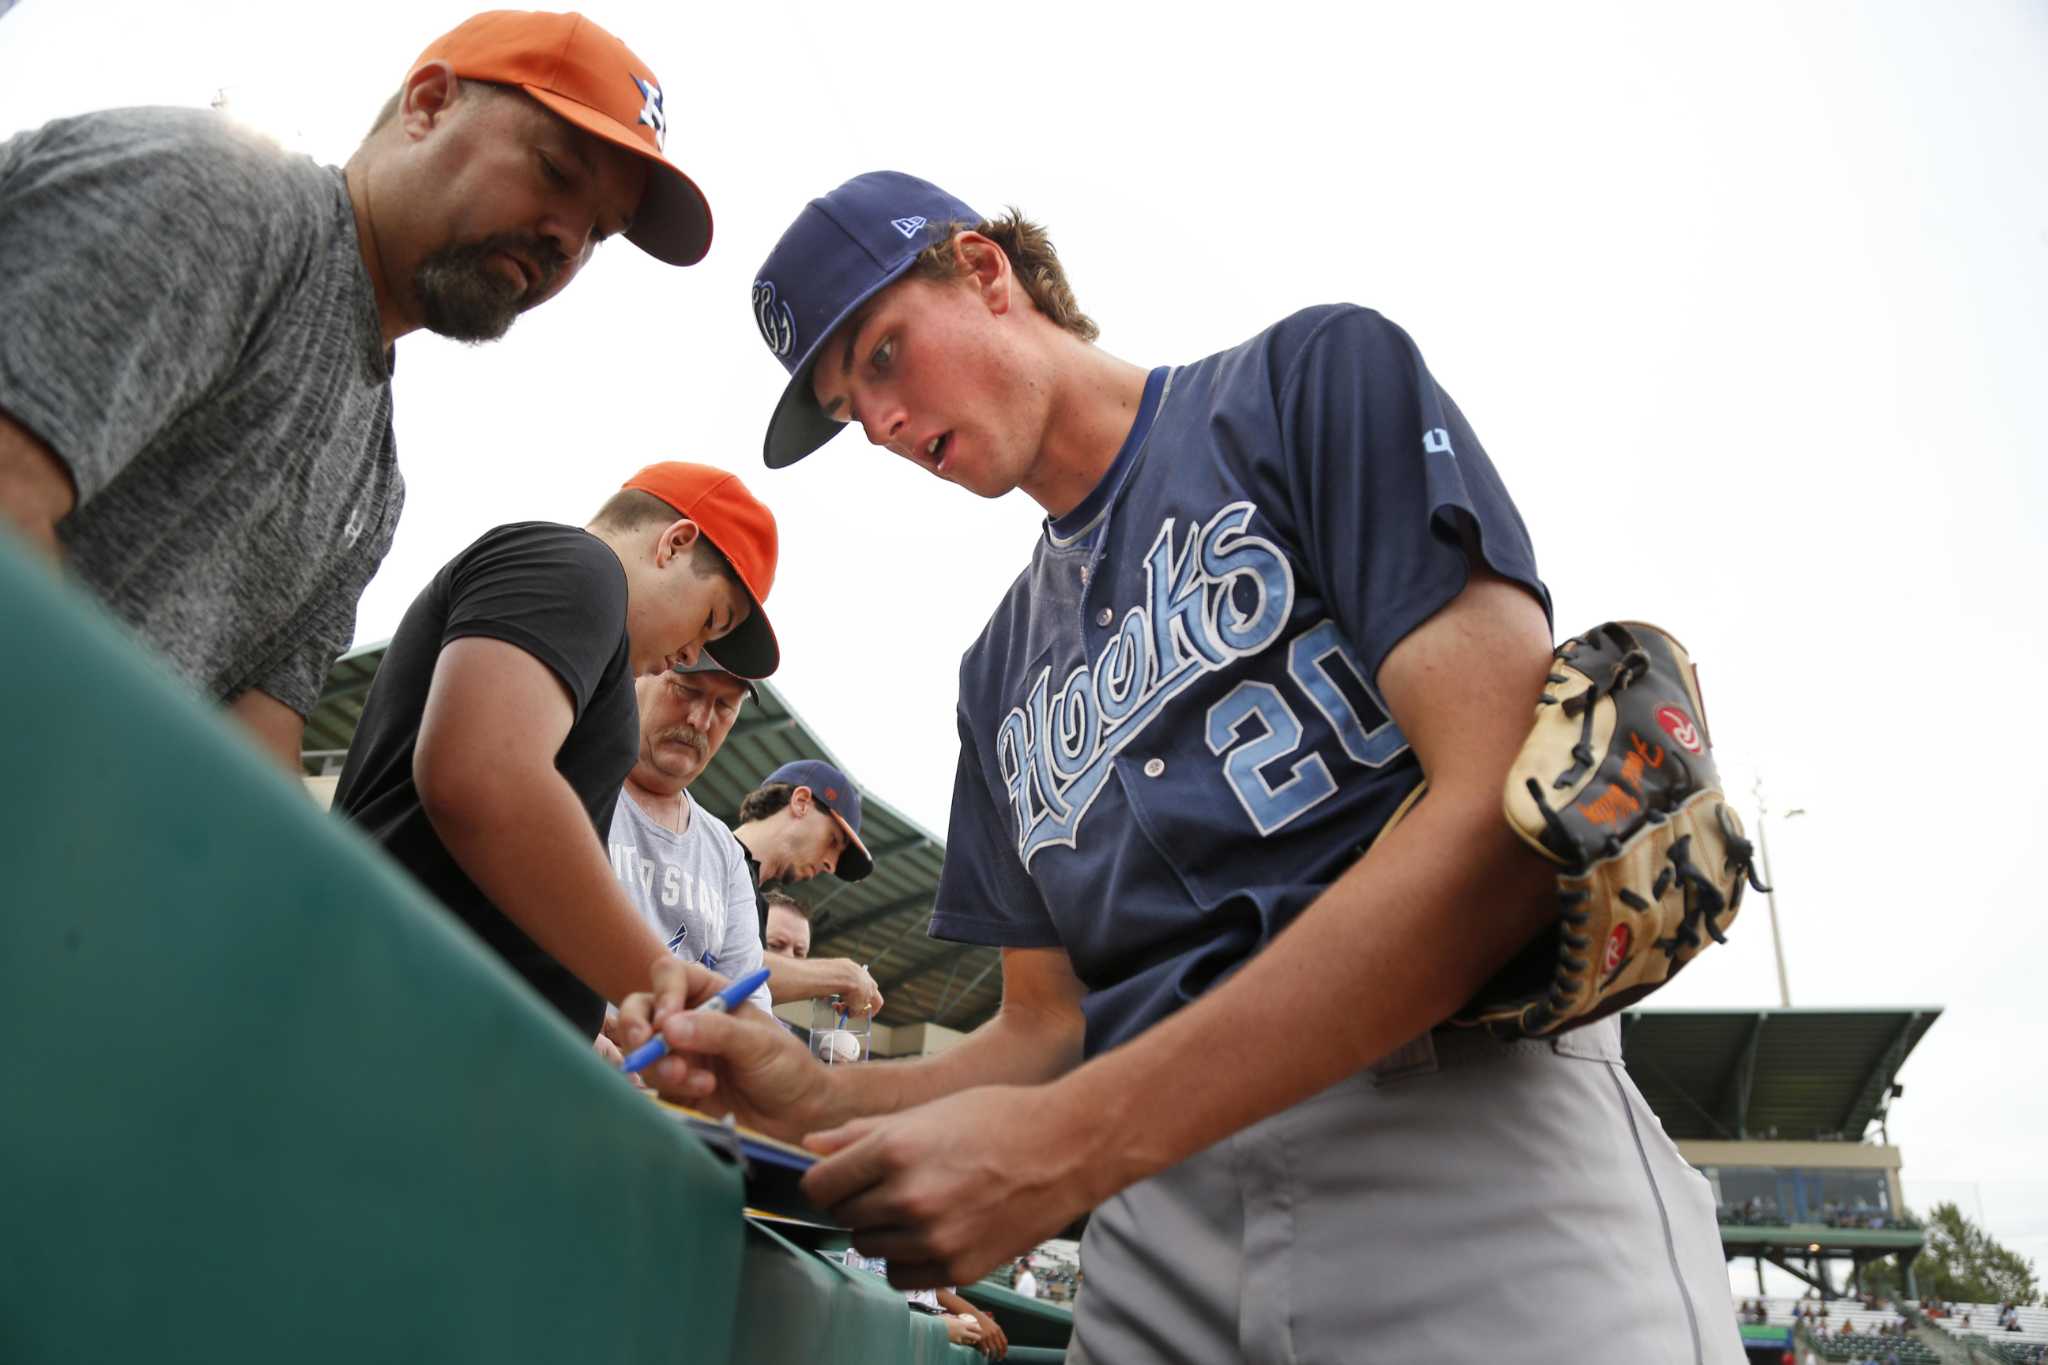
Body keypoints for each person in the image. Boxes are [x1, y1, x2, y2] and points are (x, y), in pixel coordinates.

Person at [618, 170, 1742, 1362]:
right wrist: (809, 1097)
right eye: (851, 410)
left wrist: (1073, 1145)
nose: (882, 425)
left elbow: (1500, 828)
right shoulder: (993, 670)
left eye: (884, 355)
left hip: (1455, 1131)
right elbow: (1042, 1036)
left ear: (985, 272)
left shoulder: (1304, 384)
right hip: (1155, 1228)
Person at [0, 10, 711, 768]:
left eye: (599, 231)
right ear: (429, 104)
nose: (568, 239)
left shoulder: (374, 484)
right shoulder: (231, 202)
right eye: (555, 171)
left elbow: (254, 750)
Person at [336, 461, 778, 1040]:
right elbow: (484, 777)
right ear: (675, 543)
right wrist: (665, 989)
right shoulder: (579, 567)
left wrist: (583, 1020)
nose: (692, 650)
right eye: (711, 621)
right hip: (394, 1013)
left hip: (434, 1016)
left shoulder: (595, 653)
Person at [607, 657, 772, 1016]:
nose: (700, 720)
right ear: (640, 677)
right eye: (686, 690)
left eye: (724, 706)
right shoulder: (576, 784)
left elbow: (748, 1005)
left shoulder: (726, 853)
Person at [730, 759, 884, 1017]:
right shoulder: (705, 850)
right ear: (801, 802)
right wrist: (843, 975)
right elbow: (730, 972)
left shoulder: (752, 899)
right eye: (833, 840)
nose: (830, 865)